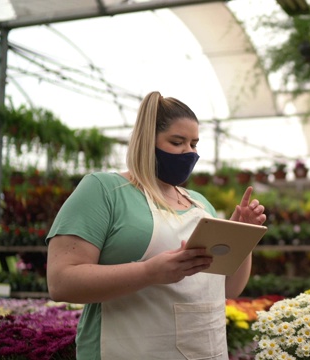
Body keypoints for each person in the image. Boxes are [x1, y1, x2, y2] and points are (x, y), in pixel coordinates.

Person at [46, 91, 266, 360]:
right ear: (146, 142)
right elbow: (61, 283)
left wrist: (242, 237)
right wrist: (149, 272)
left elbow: (229, 289)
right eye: (177, 142)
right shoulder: (105, 191)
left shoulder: (199, 204)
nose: (189, 153)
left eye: (194, 144)